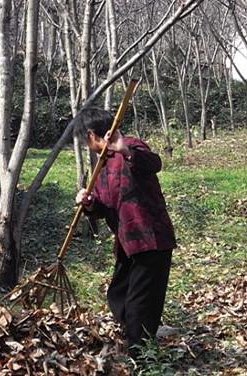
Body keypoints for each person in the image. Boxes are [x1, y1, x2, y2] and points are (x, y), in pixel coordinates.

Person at [73, 107, 176, 356]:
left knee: (140, 303)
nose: (85, 145)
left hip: (150, 240)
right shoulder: (101, 165)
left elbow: (155, 163)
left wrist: (125, 150)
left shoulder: (130, 145)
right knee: (117, 294)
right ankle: (138, 334)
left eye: (83, 140)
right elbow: (104, 206)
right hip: (127, 243)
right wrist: (89, 203)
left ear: (91, 134)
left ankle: (140, 355)